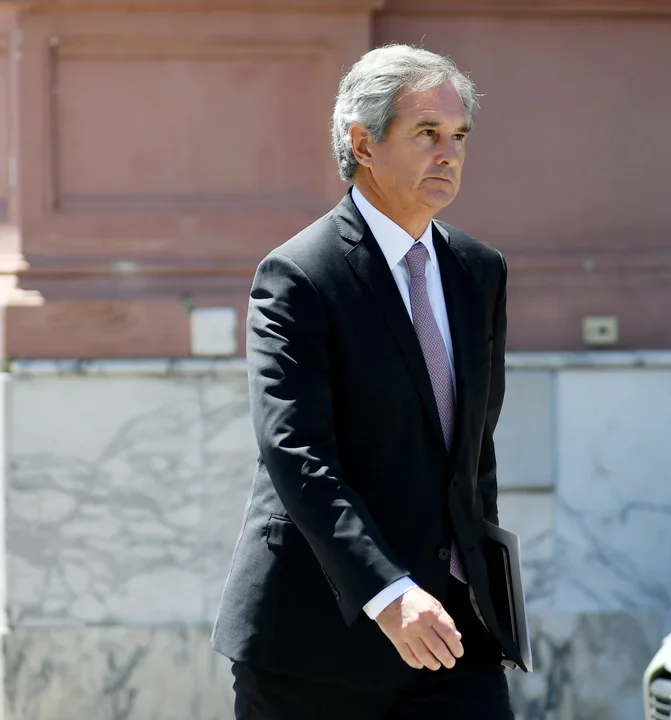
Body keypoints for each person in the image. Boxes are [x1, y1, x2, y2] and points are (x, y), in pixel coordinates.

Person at [211, 43, 522, 719]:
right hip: (317, 645)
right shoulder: (300, 275)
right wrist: (389, 593)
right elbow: (297, 455)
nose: (449, 153)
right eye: (427, 133)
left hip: (452, 636)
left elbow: (474, 453)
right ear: (363, 144)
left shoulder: (479, 271)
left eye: (459, 136)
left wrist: (487, 593)